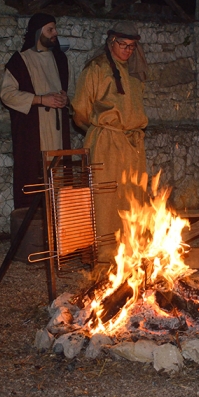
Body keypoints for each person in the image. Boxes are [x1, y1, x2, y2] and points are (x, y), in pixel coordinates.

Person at [72, 22, 149, 262]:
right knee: (105, 200)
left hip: (133, 144)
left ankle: (130, 249)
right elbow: (81, 112)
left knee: (133, 196)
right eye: (122, 45)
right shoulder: (96, 68)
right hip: (107, 142)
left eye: (131, 46)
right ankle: (104, 254)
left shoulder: (134, 73)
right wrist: (103, 133)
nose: (127, 50)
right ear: (111, 42)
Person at [0, 13, 70, 209]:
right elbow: (7, 94)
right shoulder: (20, 61)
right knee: (34, 177)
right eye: (50, 29)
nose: (55, 33)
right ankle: (34, 229)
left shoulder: (60, 59)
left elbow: (63, 91)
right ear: (39, 33)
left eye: (55, 28)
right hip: (34, 134)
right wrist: (40, 99)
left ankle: (61, 227)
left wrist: (64, 99)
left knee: (59, 180)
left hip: (56, 134)